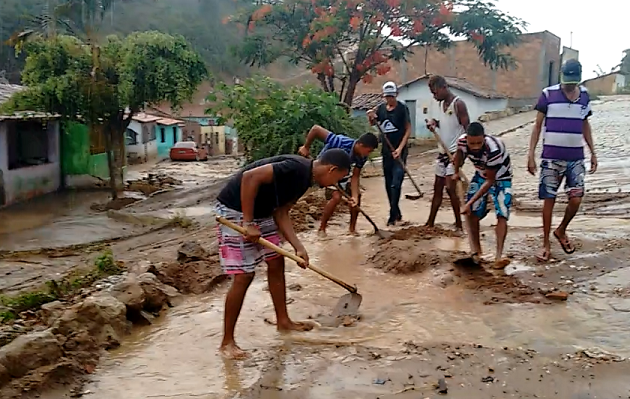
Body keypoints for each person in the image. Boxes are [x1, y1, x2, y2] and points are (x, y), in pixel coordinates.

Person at [215, 149, 351, 359]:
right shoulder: (296, 168)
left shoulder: (305, 180)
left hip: (264, 212)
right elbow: (250, 177)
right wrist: (248, 222)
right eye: (338, 179)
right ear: (331, 169)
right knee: (244, 275)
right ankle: (227, 342)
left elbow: (281, 212)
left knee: (276, 261)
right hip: (235, 210)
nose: (335, 184)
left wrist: (298, 247)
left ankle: (284, 321)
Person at [527, 59, 597, 262]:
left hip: (576, 158)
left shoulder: (584, 96)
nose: (569, 85)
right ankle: (545, 244)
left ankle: (561, 230)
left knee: (576, 199)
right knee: (549, 200)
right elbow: (537, 126)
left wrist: (593, 152)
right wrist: (530, 154)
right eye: (566, 81)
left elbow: (585, 125)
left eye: (572, 82)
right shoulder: (548, 94)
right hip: (551, 158)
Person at [298, 125, 379, 234]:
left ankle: (352, 229)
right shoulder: (340, 142)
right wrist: (306, 147)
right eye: (368, 151)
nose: (368, 154)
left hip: (342, 174)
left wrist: (354, 196)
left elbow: (355, 176)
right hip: (325, 172)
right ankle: (322, 229)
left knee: (357, 196)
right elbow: (316, 129)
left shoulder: (362, 156)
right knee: (336, 197)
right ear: (360, 144)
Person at [453, 122, 513, 268]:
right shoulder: (462, 141)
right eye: (472, 143)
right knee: (472, 212)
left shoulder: (494, 149)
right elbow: (459, 155)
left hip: (501, 177)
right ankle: (477, 252)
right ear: (467, 139)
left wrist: (467, 203)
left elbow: (489, 181)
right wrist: (456, 171)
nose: (475, 147)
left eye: (479, 142)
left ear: (484, 138)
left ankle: (498, 257)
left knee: (502, 213)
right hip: (480, 173)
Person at [425, 75, 470, 230]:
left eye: (435, 92)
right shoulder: (441, 104)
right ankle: (430, 222)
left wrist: (463, 154)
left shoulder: (459, 104)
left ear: (444, 87)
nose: (434, 96)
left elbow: (468, 129)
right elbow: (441, 122)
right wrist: (433, 124)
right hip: (442, 153)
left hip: (455, 153)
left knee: (451, 188)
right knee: (438, 187)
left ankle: (459, 224)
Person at [367, 81, 412, 226]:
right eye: (387, 97)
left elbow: (408, 129)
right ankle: (396, 211)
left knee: (396, 183)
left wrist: (399, 149)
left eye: (392, 97)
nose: (389, 100)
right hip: (386, 151)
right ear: (384, 96)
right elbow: (373, 123)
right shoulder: (381, 109)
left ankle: (392, 216)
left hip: (400, 152)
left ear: (396, 95)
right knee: (388, 184)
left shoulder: (402, 109)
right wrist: (371, 116)